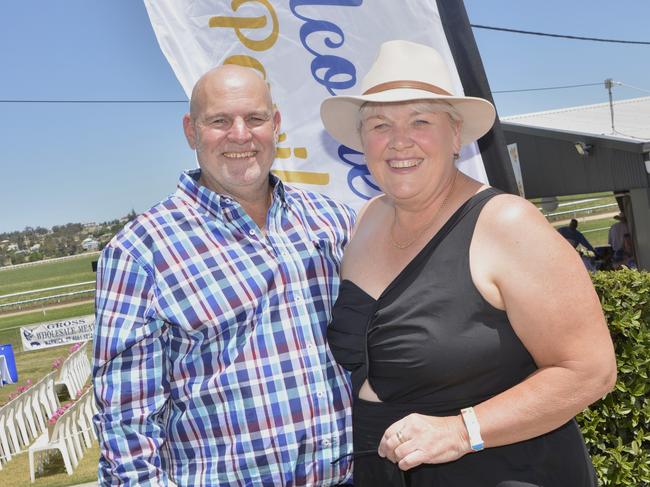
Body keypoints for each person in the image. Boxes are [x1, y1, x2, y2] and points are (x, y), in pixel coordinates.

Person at [321, 40, 616, 487]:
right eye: (380, 124)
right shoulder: (366, 219)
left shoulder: (506, 223)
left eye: (420, 120)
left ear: (455, 134)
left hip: (500, 471)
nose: (399, 140)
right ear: (363, 140)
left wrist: (463, 430)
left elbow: (590, 371)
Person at [93, 65, 355, 486]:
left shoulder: (332, 221)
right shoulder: (140, 251)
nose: (240, 134)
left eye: (254, 118)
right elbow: (126, 419)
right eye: (219, 121)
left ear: (276, 124)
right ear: (191, 131)